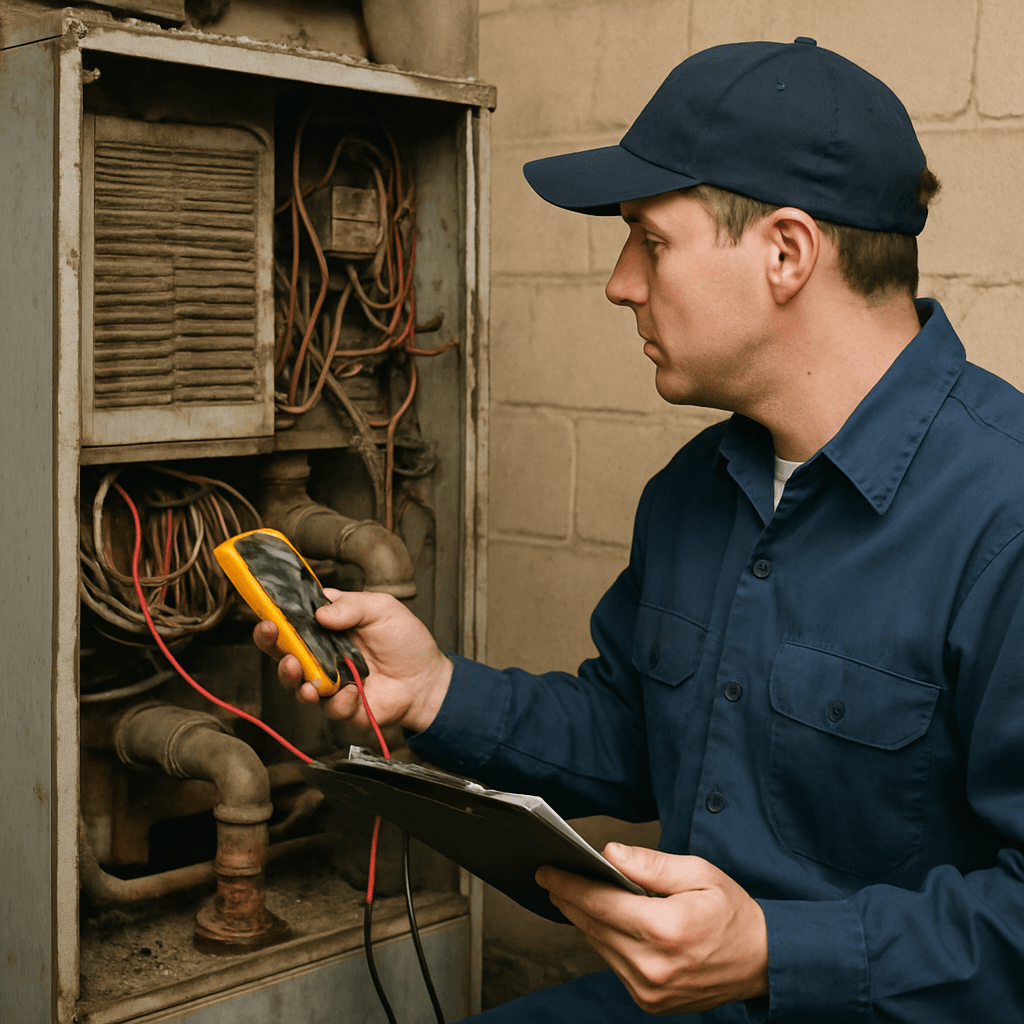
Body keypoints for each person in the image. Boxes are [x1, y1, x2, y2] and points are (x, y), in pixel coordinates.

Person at [256, 38, 1024, 1022]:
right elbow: (632, 735)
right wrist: (433, 690)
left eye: (649, 240)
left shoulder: (1001, 516)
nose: (621, 282)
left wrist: (772, 951)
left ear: (785, 252)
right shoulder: (691, 492)